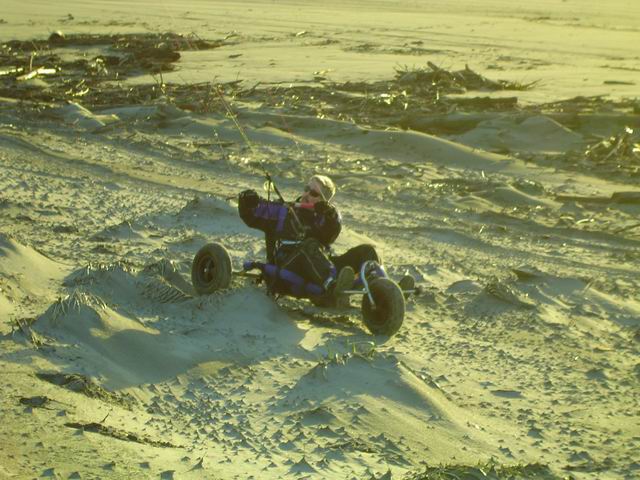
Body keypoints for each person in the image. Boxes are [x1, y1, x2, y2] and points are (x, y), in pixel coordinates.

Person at [237, 174, 381, 304]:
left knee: (368, 251)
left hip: (319, 267)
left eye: (313, 193)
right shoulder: (284, 211)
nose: (306, 195)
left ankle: (379, 287)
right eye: (306, 189)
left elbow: (332, 232)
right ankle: (332, 288)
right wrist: (248, 201)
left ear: (323, 201)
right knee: (309, 245)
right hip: (287, 267)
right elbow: (252, 216)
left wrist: (330, 213)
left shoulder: (325, 217)